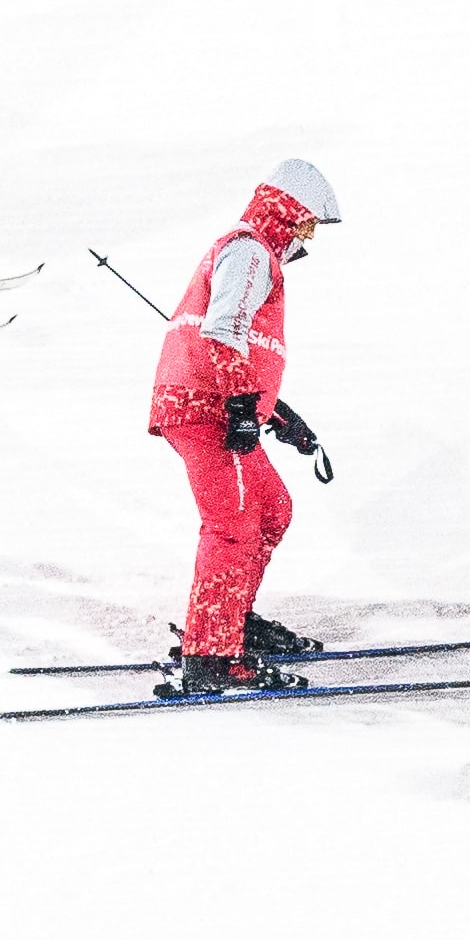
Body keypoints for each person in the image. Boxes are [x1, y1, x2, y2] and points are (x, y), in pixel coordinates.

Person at [143, 162, 339, 694]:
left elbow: (241, 347)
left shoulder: (257, 256)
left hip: (219, 403)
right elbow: (222, 328)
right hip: (208, 411)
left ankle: (233, 619)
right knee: (232, 527)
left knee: (273, 508)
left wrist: (280, 416)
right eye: (309, 221)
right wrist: (237, 409)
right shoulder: (251, 251)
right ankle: (210, 656)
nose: (310, 234)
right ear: (288, 210)